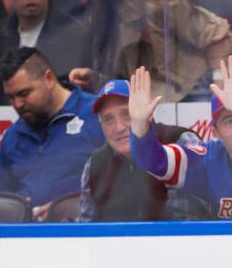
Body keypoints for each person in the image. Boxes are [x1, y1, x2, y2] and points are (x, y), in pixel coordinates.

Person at [56, 0, 232, 100]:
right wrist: (96, 78)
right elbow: (127, 84)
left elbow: (218, 33)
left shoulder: (158, 6)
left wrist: (221, 86)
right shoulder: (101, 23)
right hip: (147, 110)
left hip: (189, 103)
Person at [0, 47, 104, 219]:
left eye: (24, 93)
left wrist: (69, 208)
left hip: (85, 235)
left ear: (49, 79)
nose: (18, 104)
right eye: (11, 97)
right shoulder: (13, 136)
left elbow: (123, 185)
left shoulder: (98, 115)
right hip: (23, 239)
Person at [77, 78, 210, 222]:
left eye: (127, 114)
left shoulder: (179, 141)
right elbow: (86, 229)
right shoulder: (95, 165)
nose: (119, 127)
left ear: (148, 112)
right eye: (108, 119)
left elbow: (200, 219)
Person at [127, 61, 232, 219]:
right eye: (229, 121)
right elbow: (155, 161)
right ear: (216, 132)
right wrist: (139, 125)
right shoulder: (208, 160)